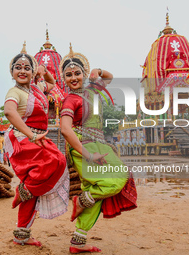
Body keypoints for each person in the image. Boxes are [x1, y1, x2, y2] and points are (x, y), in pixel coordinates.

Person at [60, 45, 137, 253]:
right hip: (84, 147)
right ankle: (80, 201)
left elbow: (110, 77)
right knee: (119, 178)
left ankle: (78, 242)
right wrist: (88, 155)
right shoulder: (70, 99)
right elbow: (65, 129)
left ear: (85, 74)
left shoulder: (92, 90)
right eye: (68, 75)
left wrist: (99, 71)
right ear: (64, 79)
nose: (73, 77)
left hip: (99, 145)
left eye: (77, 73)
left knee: (96, 193)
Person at [3, 43, 69, 247]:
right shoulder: (14, 92)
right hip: (23, 139)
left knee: (36, 187)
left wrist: (45, 71)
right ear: (12, 71)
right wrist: (31, 134)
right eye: (18, 67)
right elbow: (9, 112)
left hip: (38, 138)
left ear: (33, 73)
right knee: (55, 160)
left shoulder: (37, 88)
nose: (22, 71)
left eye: (27, 68)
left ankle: (21, 234)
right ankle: (24, 190)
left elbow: (53, 83)